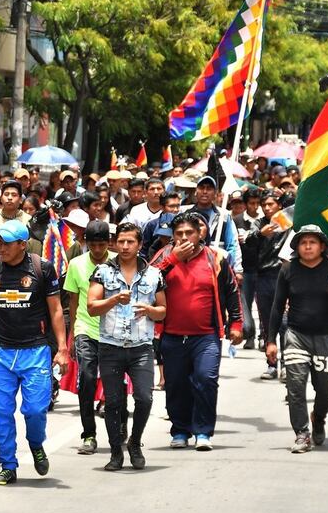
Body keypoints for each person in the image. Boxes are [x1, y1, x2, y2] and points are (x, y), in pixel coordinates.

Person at [0, 220, 69, 486]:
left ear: (23, 244)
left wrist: (63, 349)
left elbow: (55, 310)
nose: (1, 247)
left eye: (7, 243)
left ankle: (36, 444)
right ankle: (8, 465)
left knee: (34, 410)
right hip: (0, 352)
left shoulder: (42, 269)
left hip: (35, 351)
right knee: (1, 411)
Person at [149, 212, 243, 451]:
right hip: (171, 334)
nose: (183, 238)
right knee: (176, 384)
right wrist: (173, 260)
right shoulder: (163, 256)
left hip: (206, 336)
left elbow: (232, 292)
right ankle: (180, 430)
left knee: (206, 380)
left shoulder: (216, 258)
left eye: (188, 232)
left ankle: (203, 431)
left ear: (199, 233)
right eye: (178, 234)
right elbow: (146, 282)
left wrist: (236, 324)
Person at [87, 222, 165, 471]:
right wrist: (112, 300)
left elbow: (163, 311)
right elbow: (91, 306)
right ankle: (114, 452)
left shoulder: (154, 274)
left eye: (130, 241)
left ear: (140, 244)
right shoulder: (103, 272)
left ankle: (135, 442)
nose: (125, 246)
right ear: (115, 243)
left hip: (141, 347)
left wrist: (150, 310)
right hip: (110, 347)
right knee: (112, 402)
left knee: (144, 397)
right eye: (121, 241)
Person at [266, 225, 328, 453]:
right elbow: (276, 306)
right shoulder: (288, 269)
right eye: (303, 242)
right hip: (296, 336)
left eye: (313, 242)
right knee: (295, 387)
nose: (308, 246)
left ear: (322, 246)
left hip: (326, 337)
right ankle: (302, 434)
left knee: (325, 389)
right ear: (297, 247)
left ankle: (319, 418)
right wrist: (271, 340)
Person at [63, 220, 115, 455]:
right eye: (93, 245)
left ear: (108, 243)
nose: (97, 250)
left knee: (116, 383)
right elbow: (73, 302)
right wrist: (72, 335)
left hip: (114, 330)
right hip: (85, 327)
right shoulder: (76, 265)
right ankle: (89, 434)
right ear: (86, 243)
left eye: (101, 245)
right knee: (86, 378)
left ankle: (119, 427)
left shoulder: (117, 261)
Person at [253, 192, 289, 378]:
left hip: (283, 276)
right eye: (264, 204)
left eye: (271, 204)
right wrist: (259, 235)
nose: (267, 208)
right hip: (263, 277)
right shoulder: (257, 225)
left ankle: (286, 364)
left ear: (279, 206)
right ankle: (272, 364)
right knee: (267, 322)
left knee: (284, 321)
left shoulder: (289, 225)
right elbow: (247, 243)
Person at [234, 188, 264, 349]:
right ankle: (249, 334)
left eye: (257, 203)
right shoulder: (237, 220)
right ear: (245, 204)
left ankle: (263, 335)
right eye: (251, 203)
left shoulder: (264, 221)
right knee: (245, 303)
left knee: (263, 305)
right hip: (245, 269)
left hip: (262, 269)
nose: (255, 207)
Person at [0, 180, 31, 250]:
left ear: (20, 200)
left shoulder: (28, 220)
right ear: (1, 198)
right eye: (6, 194)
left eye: (14, 195)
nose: (10, 198)